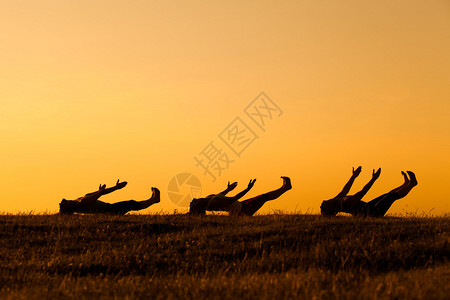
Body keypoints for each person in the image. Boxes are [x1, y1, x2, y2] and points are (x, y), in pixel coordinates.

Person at [320, 167, 417, 217]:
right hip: (374, 213)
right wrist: (374, 179)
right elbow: (363, 192)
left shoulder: (336, 200)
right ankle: (412, 184)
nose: (322, 203)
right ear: (331, 208)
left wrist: (354, 176)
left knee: (387, 194)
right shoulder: (346, 203)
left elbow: (345, 189)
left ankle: (405, 184)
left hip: (369, 207)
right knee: (391, 196)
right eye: (323, 207)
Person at [189, 177, 292, 216]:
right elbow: (235, 197)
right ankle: (285, 188)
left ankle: (285, 187)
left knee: (263, 197)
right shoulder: (213, 204)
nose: (194, 200)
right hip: (243, 211)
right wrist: (249, 188)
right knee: (264, 197)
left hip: (240, 205)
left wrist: (228, 189)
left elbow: (219, 195)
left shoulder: (208, 199)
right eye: (195, 202)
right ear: (199, 205)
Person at [59, 180, 160, 215]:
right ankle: (153, 200)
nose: (60, 202)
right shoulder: (83, 203)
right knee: (131, 204)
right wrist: (116, 188)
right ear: (68, 207)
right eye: (61, 204)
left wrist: (116, 187)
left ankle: (153, 200)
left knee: (131, 204)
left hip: (110, 209)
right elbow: (101, 193)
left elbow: (100, 192)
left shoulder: (79, 200)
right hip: (111, 211)